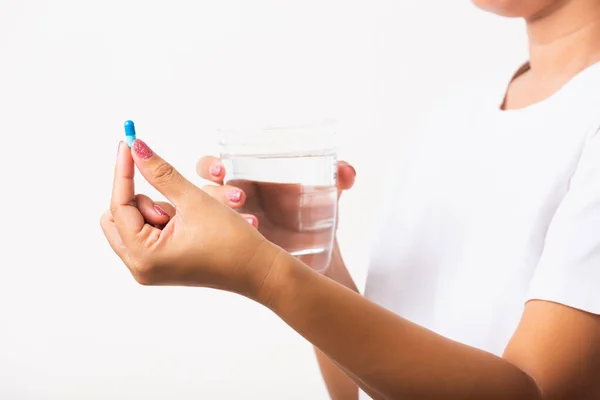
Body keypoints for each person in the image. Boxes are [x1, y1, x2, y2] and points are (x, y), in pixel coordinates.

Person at [100, 0, 600, 398]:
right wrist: (308, 256)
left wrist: (267, 275)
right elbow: (366, 390)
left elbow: (535, 391)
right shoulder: (454, 119)